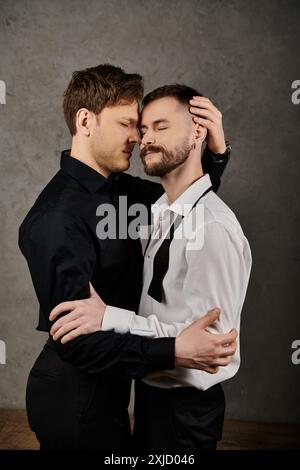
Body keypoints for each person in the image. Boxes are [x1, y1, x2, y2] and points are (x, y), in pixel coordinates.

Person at [19, 64, 236, 451]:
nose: (138, 138)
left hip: (115, 391)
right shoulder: (55, 218)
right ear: (85, 121)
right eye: (127, 124)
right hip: (73, 401)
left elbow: (185, 202)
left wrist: (214, 152)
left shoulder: (118, 190)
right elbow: (79, 342)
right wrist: (175, 350)